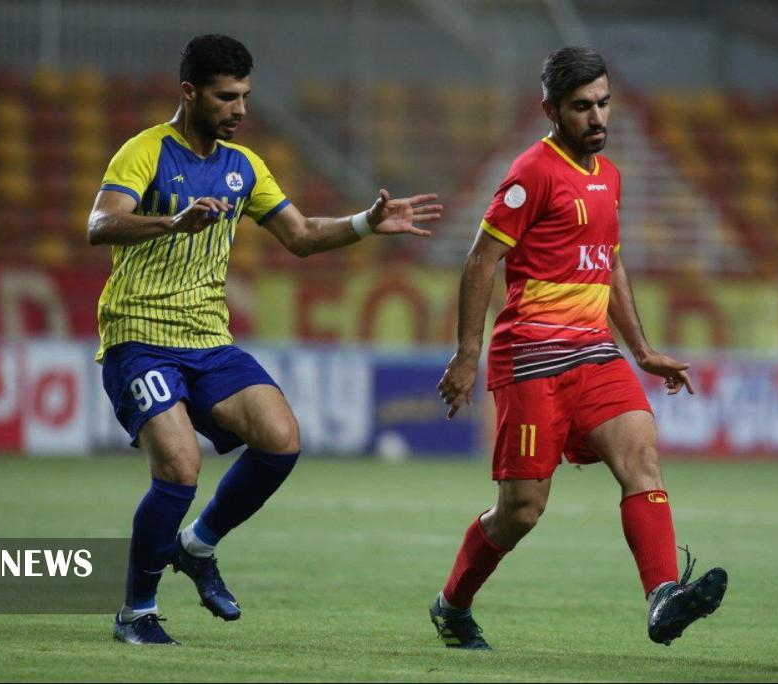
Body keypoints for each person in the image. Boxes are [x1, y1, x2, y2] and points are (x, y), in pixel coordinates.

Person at [89, 34, 441, 645]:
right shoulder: (145, 151)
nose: (240, 109)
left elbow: (301, 235)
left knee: (280, 439)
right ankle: (136, 613)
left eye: (245, 96)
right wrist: (170, 222)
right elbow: (99, 223)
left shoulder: (244, 166)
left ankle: (197, 546)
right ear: (190, 93)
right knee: (180, 466)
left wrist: (366, 222)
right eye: (226, 97)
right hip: (138, 337)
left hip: (208, 338)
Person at [431, 46, 726, 650]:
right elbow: (481, 260)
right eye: (581, 107)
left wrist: (641, 350)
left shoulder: (609, 176)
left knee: (642, 458)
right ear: (551, 110)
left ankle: (662, 596)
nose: (597, 118)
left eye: (603, 103)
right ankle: (452, 605)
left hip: (594, 352)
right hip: (532, 358)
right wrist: (467, 354)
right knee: (521, 510)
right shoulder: (532, 173)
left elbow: (608, 263)